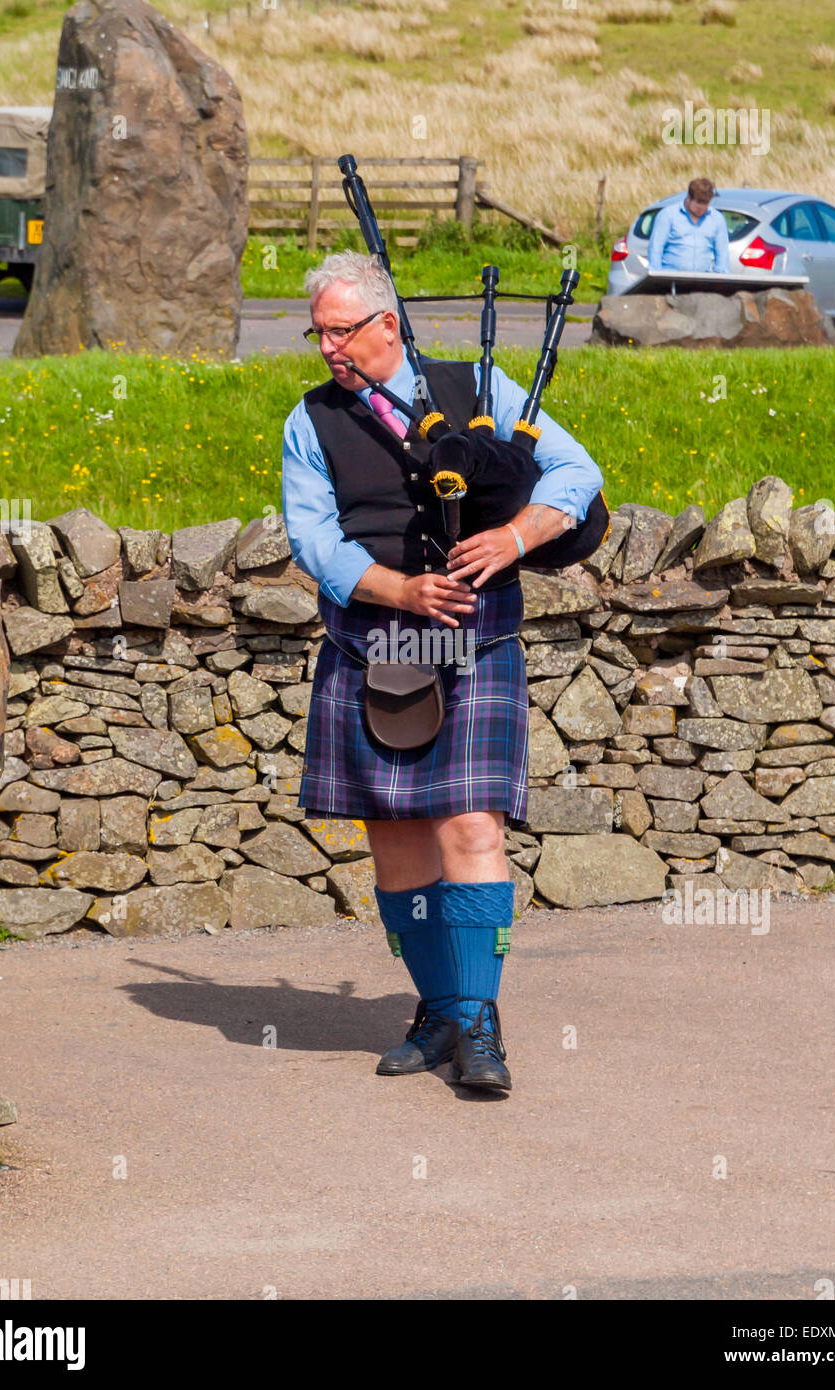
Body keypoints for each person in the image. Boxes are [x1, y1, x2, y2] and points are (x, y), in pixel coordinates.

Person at [281, 250, 603, 1093]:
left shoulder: (478, 385)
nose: (327, 349)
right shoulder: (308, 421)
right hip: (371, 640)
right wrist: (399, 590)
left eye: (340, 331)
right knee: (393, 841)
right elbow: (312, 539)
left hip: (473, 637)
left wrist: (515, 537)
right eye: (317, 334)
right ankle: (437, 1011)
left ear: (387, 323)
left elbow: (577, 473)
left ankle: (478, 1018)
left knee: (471, 828)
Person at [647, 176, 730, 274]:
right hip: (670, 279)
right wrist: (656, 277)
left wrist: (721, 281)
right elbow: (655, 249)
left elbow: (722, 254)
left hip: (702, 281)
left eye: (706, 204)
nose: (702, 209)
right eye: (698, 204)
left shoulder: (717, 219)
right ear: (689, 198)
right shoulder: (668, 215)